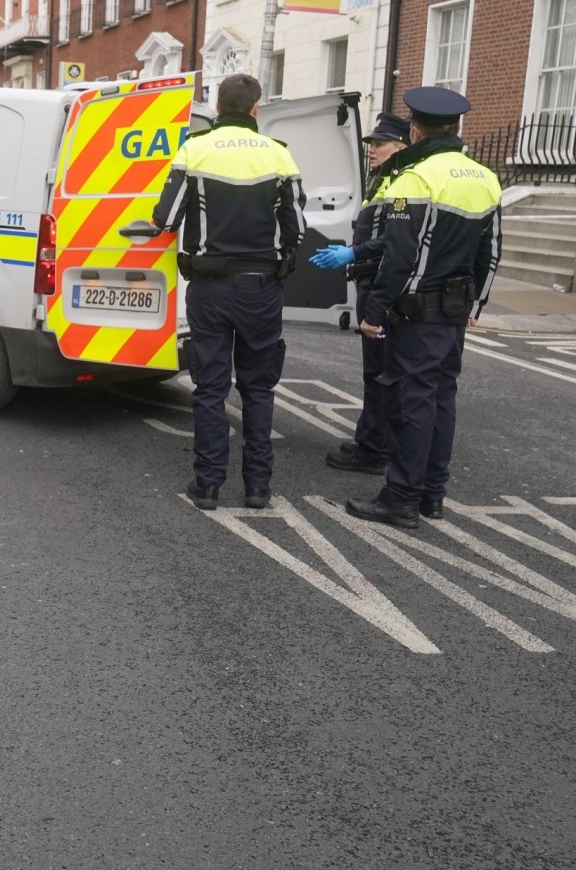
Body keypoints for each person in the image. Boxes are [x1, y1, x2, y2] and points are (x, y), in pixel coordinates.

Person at [344, 87, 501, 529]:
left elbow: (398, 256)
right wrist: (478, 301)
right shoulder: (485, 177)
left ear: (415, 130)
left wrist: (374, 312)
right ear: (456, 128)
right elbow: (490, 252)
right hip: (454, 309)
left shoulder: (417, 177)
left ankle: (400, 498)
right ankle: (432, 494)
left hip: (416, 312)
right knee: (441, 400)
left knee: (411, 402)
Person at [152, 73, 307, 511]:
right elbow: (298, 226)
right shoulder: (279, 156)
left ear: (217, 108)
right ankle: (258, 487)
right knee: (258, 389)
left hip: (210, 289)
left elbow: (165, 218)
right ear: (256, 108)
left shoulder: (194, 149)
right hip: (261, 290)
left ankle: (208, 486)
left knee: (210, 387)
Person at [311, 112, 411, 475]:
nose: (372, 150)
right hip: (370, 280)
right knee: (376, 372)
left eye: (379, 144)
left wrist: (353, 253)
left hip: (381, 283)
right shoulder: (383, 178)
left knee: (382, 372)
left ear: (400, 146)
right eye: (370, 144)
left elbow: (394, 240)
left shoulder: (401, 180)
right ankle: (371, 440)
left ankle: (373, 451)